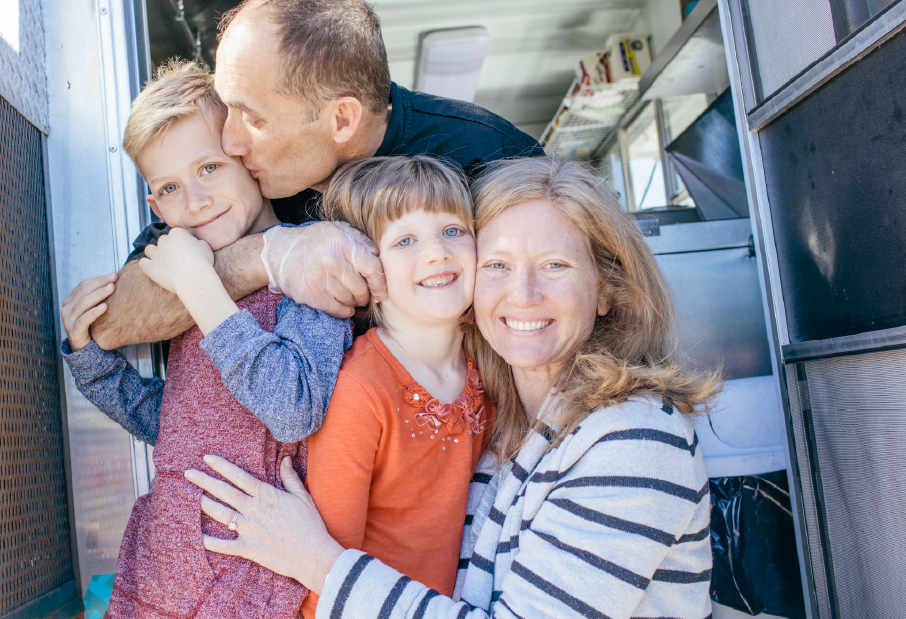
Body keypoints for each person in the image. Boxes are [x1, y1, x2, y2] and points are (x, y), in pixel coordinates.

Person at [184, 158, 718, 619]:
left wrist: (314, 557)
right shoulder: (499, 414)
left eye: (555, 266)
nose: (523, 294)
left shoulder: (635, 438)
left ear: (608, 291)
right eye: (498, 266)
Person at [78, 0, 544, 352]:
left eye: (252, 117)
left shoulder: (489, 159)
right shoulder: (248, 176)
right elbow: (113, 320)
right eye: (229, 109)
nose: (230, 140)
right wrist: (271, 254)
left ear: (341, 119)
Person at [58, 60, 353, 619]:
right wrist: (92, 362)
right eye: (169, 187)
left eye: (210, 167)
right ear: (155, 208)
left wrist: (201, 290)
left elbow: (293, 411)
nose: (194, 201)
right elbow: (172, 425)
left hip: (248, 577)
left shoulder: (308, 268)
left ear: (250, 161)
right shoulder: (185, 288)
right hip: (162, 568)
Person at [299, 156, 493, 619]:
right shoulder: (362, 389)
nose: (437, 253)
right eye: (405, 239)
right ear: (367, 265)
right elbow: (323, 567)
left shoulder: (487, 363)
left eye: (452, 230)